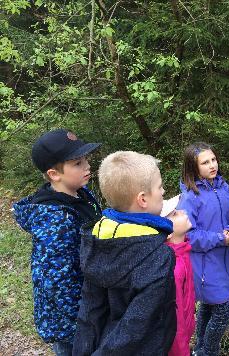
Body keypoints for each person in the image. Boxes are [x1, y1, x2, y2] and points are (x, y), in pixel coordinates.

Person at [73, 151, 186, 355]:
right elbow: (137, 325)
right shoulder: (158, 256)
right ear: (142, 199)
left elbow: (90, 312)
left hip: (103, 341)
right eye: (159, 187)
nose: (163, 192)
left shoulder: (97, 238)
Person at [13, 129, 101, 356]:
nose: (87, 167)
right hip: (72, 327)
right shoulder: (55, 219)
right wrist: (85, 321)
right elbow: (56, 281)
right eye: (78, 163)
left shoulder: (79, 194)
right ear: (54, 174)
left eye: (86, 160)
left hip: (90, 309)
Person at [178, 142, 229, 356]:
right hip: (204, 266)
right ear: (193, 168)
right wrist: (218, 238)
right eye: (205, 162)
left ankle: (200, 349)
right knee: (223, 311)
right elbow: (188, 235)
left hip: (224, 259)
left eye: (213, 159)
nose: (212, 165)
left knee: (208, 307)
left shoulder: (223, 186)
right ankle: (209, 351)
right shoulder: (190, 196)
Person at [164, 195, 196, 356]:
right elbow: (175, 322)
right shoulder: (174, 267)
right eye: (175, 213)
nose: (183, 211)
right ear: (168, 232)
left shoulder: (183, 252)